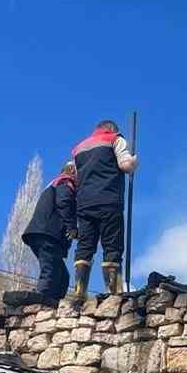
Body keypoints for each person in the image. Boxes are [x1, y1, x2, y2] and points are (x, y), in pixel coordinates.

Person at [70, 119, 138, 298]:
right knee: (112, 246)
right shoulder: (115, 139)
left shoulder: (78, 148)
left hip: (84, 204)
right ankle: (114, 293)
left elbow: (76, 177)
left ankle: (79, 292)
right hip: (109, 201)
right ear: (112, 129)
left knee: (85, 247)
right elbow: (125, 165)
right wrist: (133, 163)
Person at [3, 161, 77, 307]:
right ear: (73, 171)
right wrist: (72, 227)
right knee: (50, 269)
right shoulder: (65, 183)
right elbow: (64, 202)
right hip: (48, 234)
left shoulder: (54, 184)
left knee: (62, 275)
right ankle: (41, 300)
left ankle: (53, 302)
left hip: (41, 233)